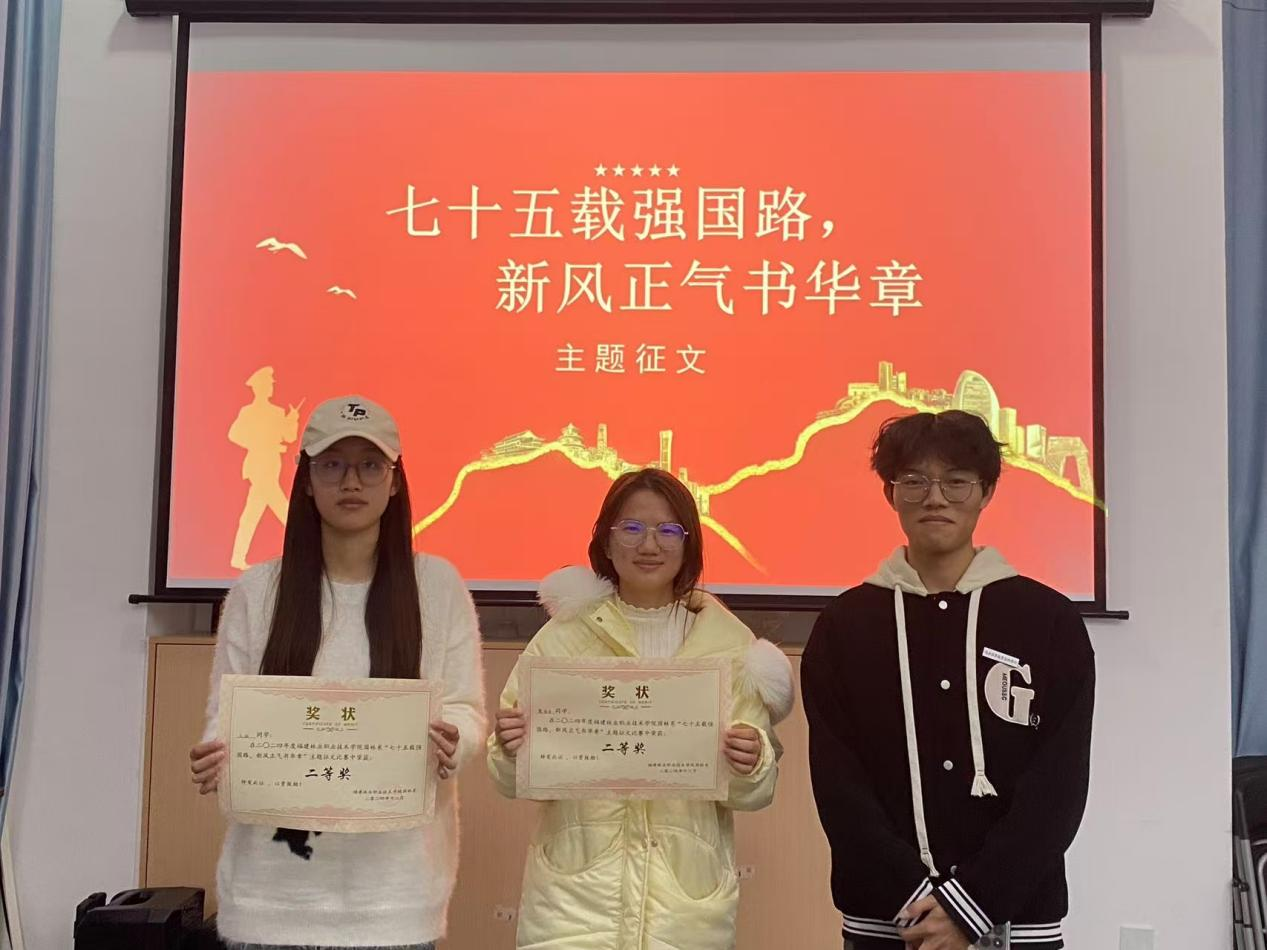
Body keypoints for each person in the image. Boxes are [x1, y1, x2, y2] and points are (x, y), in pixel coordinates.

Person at [189, 395, 486, 950]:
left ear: (394, 482)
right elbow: (223, 718)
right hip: (270, 900)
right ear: (306, 480)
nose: (351, 481)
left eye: (370, 465)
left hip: (394, 901)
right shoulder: (257, 590)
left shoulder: (437, 586)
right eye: (332, 465)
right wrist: (217, 756)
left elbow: (466, 711)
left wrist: (455, 740)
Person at [802, 410, 1095, 950]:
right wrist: (917, 902)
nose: (934, 498)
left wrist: (972, 906)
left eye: (956, 481)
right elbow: (839, 786)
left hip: (1015, 924)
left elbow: (1059, 785)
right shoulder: (845, 626)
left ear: (986, 492)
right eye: (914, 481)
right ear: (891, 494)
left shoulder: (1048, 621)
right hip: (887, 922)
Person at [488, 468, 794, 950]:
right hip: (574, 905)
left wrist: (751, 762)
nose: (649, 544)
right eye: (631, 528)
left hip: (683, 908)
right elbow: (510, 777)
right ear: (606, 542)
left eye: (668, 530)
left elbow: (753, 792)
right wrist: (510, 749)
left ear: (688, 545)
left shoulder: (729, 645)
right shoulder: (563, 637)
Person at [228, 365, 301, 570]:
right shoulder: (248, 412)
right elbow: (234, 434)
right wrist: (256, 442)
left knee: (252, 513)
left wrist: (292, 420)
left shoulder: (277, 412)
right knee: (283, 510)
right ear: (257, 388)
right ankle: (306, 544)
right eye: (267, 385)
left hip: (271, 464)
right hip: (257, 466)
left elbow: (289, 437)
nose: (270, 387)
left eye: (271, 385)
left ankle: (237, 557)